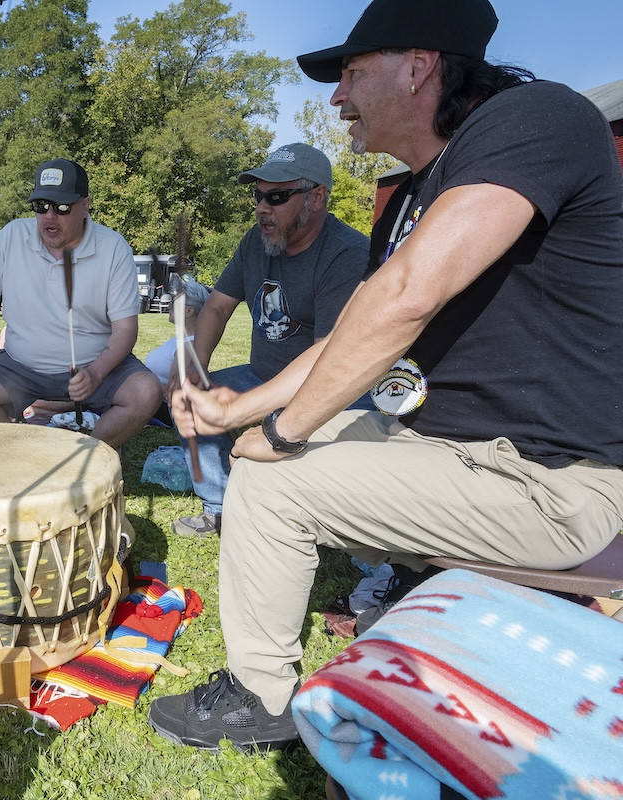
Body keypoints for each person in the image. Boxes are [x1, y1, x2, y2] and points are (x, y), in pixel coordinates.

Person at [147, 0, 623, 754]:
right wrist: (241, 409)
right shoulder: (408, 196)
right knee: (273, 448)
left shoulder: (538, 118)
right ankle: (396, 585)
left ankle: (259, 700)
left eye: (351, 73)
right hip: (447, 446)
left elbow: (406, 298)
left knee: (272, 480)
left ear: (418, 66)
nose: (337, 98)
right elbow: (355, 332)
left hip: (548, 478)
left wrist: (284, 432)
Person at [168, 143, 370, 537]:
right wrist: (196, 363)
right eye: (257, 196)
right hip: (262, 374)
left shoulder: (347, 254)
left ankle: (343, 530)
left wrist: (239, 409)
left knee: (339, 445)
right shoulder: (254, 243)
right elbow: (217, 307)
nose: (262, 208)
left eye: (276, 197)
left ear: (316, 198)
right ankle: (220, 507)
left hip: (331, 390)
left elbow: (328, 355)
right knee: (189, 398)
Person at [0, 158, 162, 450]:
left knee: (146, 392)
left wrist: (96, 372)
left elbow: (126, 329)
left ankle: (89, 458)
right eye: (41, 206)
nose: (49, 216)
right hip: (20, 366)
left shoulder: (113, 248)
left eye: (62, 207)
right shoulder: (12, 236)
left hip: (94, 365)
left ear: (85, 205)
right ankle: (21, 457)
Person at [142, 273, 210, 427]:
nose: (169, 306)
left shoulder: (189, 346)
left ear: (188, 311)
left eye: (174, 302)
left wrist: (141, 384)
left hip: (158, 408)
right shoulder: (181, 340)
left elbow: (175, 392)